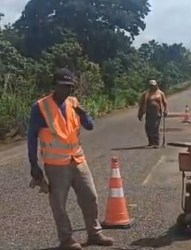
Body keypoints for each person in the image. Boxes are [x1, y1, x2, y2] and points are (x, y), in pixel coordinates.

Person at [27, 68, 114, 250]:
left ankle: (94, 234)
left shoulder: (73, 103)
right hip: (56, 164)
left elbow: (89, 126)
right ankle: (66, 240)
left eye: (70, 87)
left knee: (90, 197)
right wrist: (34, 165)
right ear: (54, 86)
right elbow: (31, 137)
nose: (67, 90)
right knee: (59, 204)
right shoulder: (41, 107)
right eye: (63, 86)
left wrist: (83, 113)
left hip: (78, 159)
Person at [137, 80, 168, 148]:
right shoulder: (146, 94)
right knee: (148, 128)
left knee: (155, 127)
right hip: (149, 113)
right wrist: (140, 114)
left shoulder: (160, 93)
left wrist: (165, 111)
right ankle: (150, 142)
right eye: (151, 86)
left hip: (157, 113)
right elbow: (141, 105)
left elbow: (165, 103)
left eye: (153, 85)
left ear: (156, 85)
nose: (152, 87)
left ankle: (156, 143)